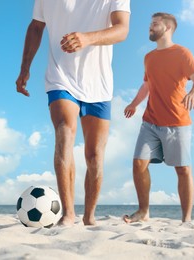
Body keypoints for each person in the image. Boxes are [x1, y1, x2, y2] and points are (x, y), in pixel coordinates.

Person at [16, 0, 130, 226]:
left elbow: (122, 29)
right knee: (64, 133)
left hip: (99, 85)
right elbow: (36, 27)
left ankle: (89, 216)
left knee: (95, 155)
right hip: (61, 77)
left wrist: (87, 38)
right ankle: (68, 213)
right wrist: (24, 68)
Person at [123, 12, 194, 223]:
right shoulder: (148, 57)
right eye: (150, 24)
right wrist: (134, 103)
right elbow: (147, 85)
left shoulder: (182, 53)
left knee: (183, 170)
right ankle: (143, 211)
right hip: (150, 122)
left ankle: (186, 219)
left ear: (167, 28)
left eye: (154, 24)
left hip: (177, 122)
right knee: (138, 164)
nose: (150, 27)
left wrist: (193, 93)